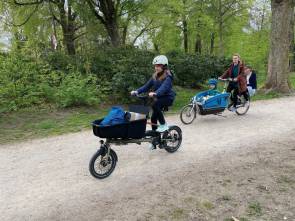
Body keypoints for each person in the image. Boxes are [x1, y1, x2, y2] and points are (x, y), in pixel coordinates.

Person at [131, 55, 176, 133]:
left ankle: (163, 124)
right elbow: (146, 86)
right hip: (159, 97)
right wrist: (137, 91)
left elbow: (164, 88)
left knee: (155, 104)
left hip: (168, 97)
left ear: (164, 66)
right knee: (153, 118)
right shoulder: (155, 76)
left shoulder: (168, 76)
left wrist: (156, 93)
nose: (156, 68)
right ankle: (154, 137)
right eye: (155, 66)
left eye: (158, 66)